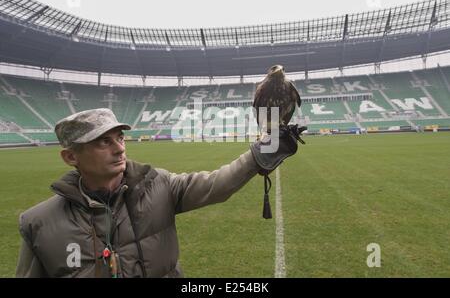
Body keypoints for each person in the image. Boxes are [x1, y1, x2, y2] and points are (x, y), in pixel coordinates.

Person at [16, 108, 301, 278]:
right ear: (70, 157)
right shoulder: (38, 223)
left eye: (119, 137)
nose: (119, 148)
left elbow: (217, 184)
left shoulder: (159, 185)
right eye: (103, 142)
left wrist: (261, 152)